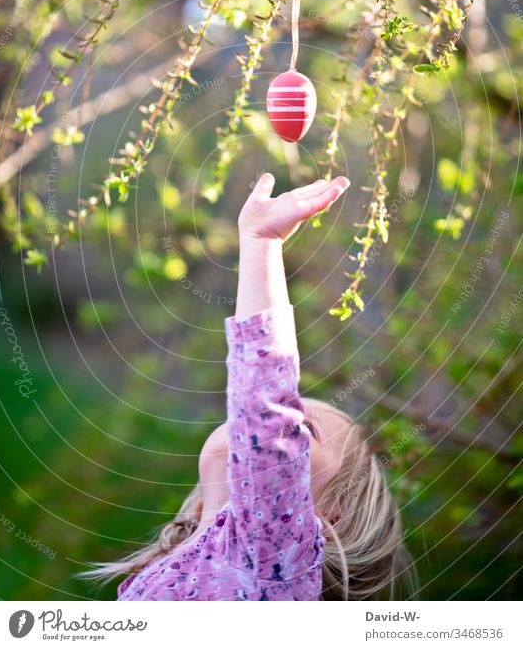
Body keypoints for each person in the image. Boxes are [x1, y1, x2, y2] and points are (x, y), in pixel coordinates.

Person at [88, 174, 411, 600]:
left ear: (326, 525)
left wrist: (261, 243)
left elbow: (264, 412)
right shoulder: (160, 574)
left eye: (298, 431)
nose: (272, 432)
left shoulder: (274, 566)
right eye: (288, 428)